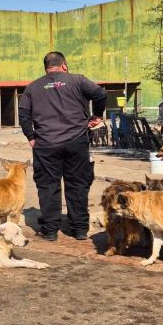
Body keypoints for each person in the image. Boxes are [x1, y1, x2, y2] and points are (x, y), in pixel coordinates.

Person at [18, 51, 106, 241]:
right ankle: (79, 229)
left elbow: (24, 114)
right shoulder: (78, 80)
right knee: (78, 184)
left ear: (46, 67)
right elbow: (100, 94)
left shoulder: (33, 87)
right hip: (76, 141)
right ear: (64, 65)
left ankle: (50, 231)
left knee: (48, 186)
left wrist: (31, 137)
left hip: (46, 144)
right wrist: (97, 115)